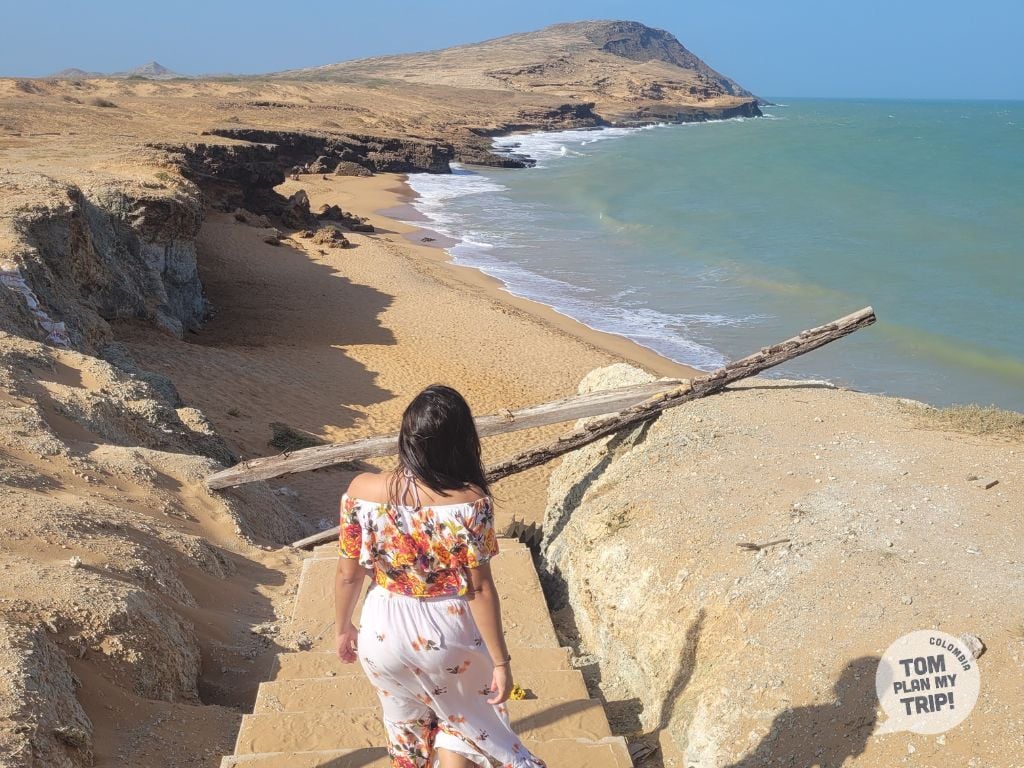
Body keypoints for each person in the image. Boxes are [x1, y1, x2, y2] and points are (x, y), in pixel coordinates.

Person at [334, 384, 547, 768]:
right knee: (465, 726)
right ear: (461, 442)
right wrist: (501, 662)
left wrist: (343, 627)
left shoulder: (361, 491)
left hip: (381, 628)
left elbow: (348, 575)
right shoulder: (470, 502)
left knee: (405, 731)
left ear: (405, 437)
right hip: (446, 631)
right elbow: (480, 589)